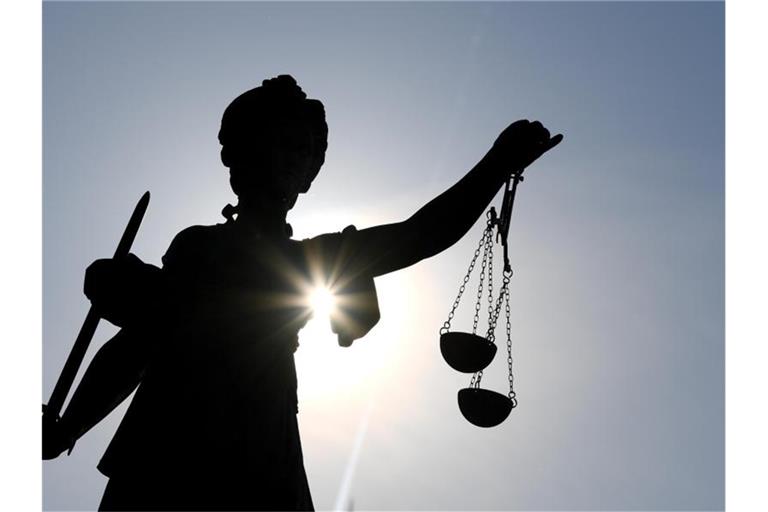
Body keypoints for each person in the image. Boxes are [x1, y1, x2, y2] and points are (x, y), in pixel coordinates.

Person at [43, 75, 562, 510]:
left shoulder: (314, 261)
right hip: (164, 452)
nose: (294, 160)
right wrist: (70, 425)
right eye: (281, 143)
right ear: (239, 154)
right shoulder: (198, 247)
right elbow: (139, 345)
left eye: (304, 152)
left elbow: (422, 234)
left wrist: (497, 163)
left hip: (258, 455)